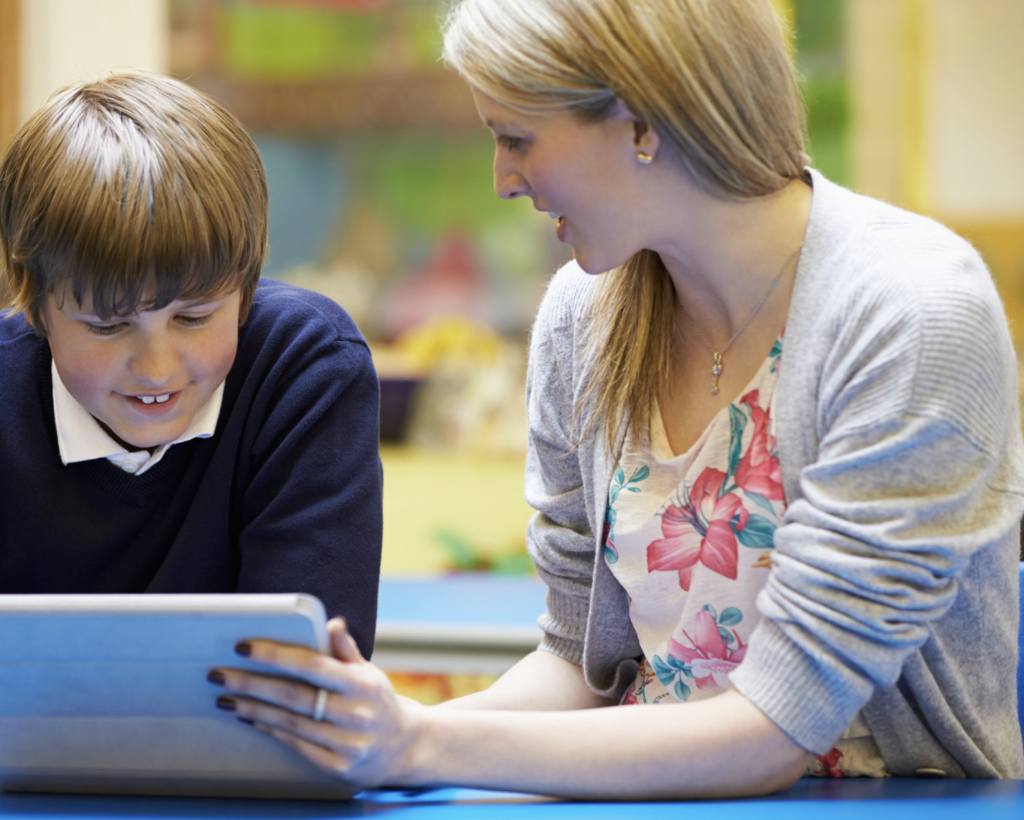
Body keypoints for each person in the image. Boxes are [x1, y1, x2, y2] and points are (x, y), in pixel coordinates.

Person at [208, 0, 1024, 797]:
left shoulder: (913, 314)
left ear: (641, 124)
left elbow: (778, 728)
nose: (501, 180)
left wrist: (422, 742)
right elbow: (577, 665)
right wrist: (373, 741)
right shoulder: (581, 315)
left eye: (517, 138)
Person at [0, 72, 382, 658]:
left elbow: (304, 686)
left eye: (194, 318)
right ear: (37, 308)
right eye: (108, 326)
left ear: (245, 294)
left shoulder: (306, 369)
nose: (156, 369)